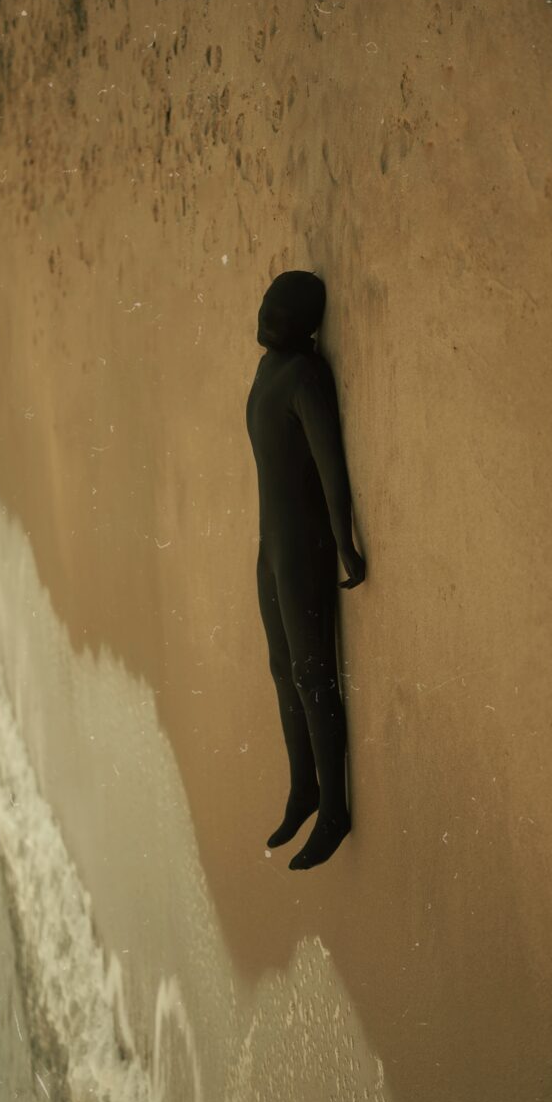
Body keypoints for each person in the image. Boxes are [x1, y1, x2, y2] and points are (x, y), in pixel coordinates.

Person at [245, 270, 366, 870]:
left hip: (304, 547)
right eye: (266, 304)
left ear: (307, 327)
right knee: (280, 670)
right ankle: (304, 790)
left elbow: (330, 467)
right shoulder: (269, 369)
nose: (266, 317)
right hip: (271, 548)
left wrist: (344, 541)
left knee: (311, 674)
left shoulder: (303, 376)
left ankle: (336, 812)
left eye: (279, 312)